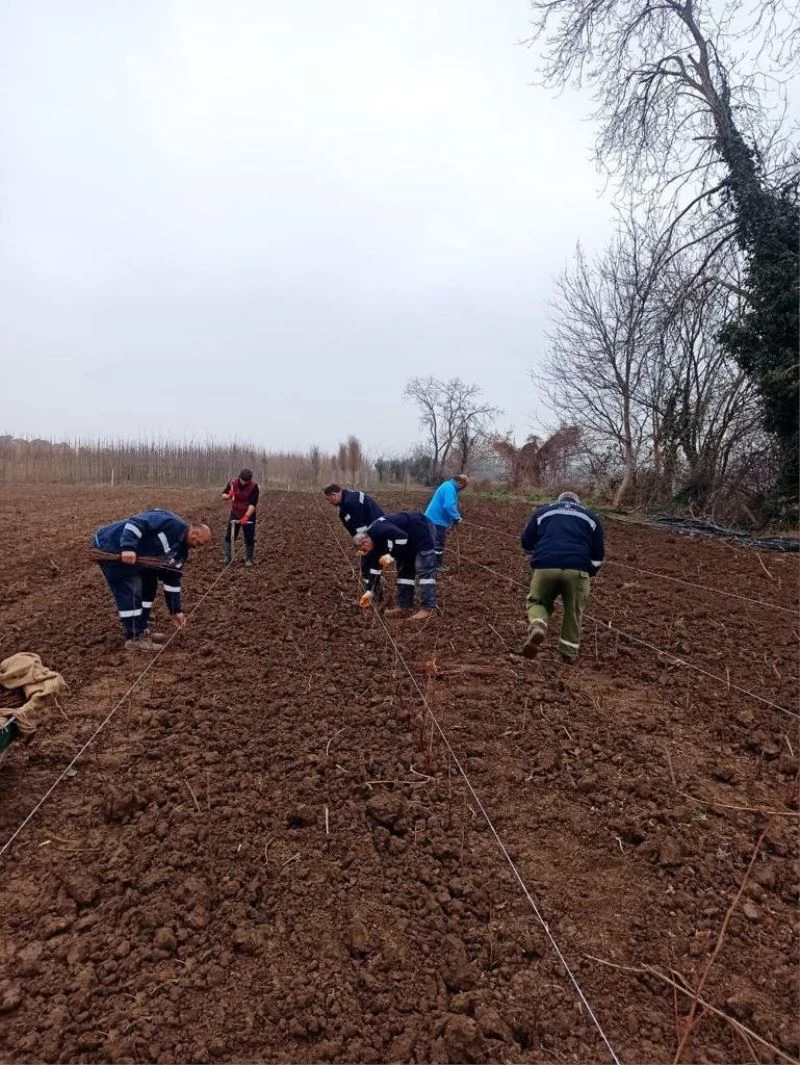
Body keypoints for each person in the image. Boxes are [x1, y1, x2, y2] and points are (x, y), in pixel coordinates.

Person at [93, 510, 212, 652]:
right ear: (195, 534)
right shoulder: (169, 522)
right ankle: (135, 638)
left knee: (149, 585)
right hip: (111, 546)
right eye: (201, 543)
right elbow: (136, 523)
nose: (200, 547)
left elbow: (172, 580)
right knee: (132, 587)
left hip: (137, 559)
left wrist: (175, 611)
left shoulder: (181, 553)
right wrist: (128, 547)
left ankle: (141, 629)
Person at [519, 491, 604, 663]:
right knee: (573, 611)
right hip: (577, 569)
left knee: (537, 601)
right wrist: (590, 572)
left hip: (546, 566)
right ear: (577, 502)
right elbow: (598, 554)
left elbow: (526, 540)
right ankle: (567, 653)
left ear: (559, 500)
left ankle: (538, 625)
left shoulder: (544, 512)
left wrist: (533, 554)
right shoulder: (590, 517)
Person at [354, 512, 437, 620]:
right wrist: (369, 592)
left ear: (365, 543)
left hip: (421, 529)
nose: (365, 553)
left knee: (424, 569)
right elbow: (375, 569)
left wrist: (390, 556)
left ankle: (427, 609)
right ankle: (404, 606)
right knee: (404, 570)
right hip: (407, 542)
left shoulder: (379, 529)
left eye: (364, 550)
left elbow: (402, 537)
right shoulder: (372, 546)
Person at [323, 484, 386, 602]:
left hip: (376, 534)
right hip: (375, 532)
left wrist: (362, 544)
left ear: (334, 495)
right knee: (368, 565)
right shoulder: (348, 500)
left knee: (369, 565)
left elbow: (362, 528)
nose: (328, 502)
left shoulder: (349, 503)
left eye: (328, 498)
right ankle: (373, 592)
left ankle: (374, 595)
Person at [424, 474, 468, 568]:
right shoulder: (450, 488)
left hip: (433, 517)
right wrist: (457, 517)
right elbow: (448, 505)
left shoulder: (447, 485)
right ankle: (437, 565)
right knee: (439, 542)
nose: (461, 490)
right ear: (460, 483)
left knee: (432, 541)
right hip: (437, 519)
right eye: (463, 487)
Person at [222, 468, 260, 566]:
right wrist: (229, 495)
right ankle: (227, 557)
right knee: (229, 535)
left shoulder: (254, 487)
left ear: (249, 480)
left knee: (249, 537)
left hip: (248, 513)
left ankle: (248, 559)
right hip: (235, 512)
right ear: (240, 477)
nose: (243, 483)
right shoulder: (233, 483)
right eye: (242, 480)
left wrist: (246, 516)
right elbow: (223, 496)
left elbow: (253, 504)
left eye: (246, 481)